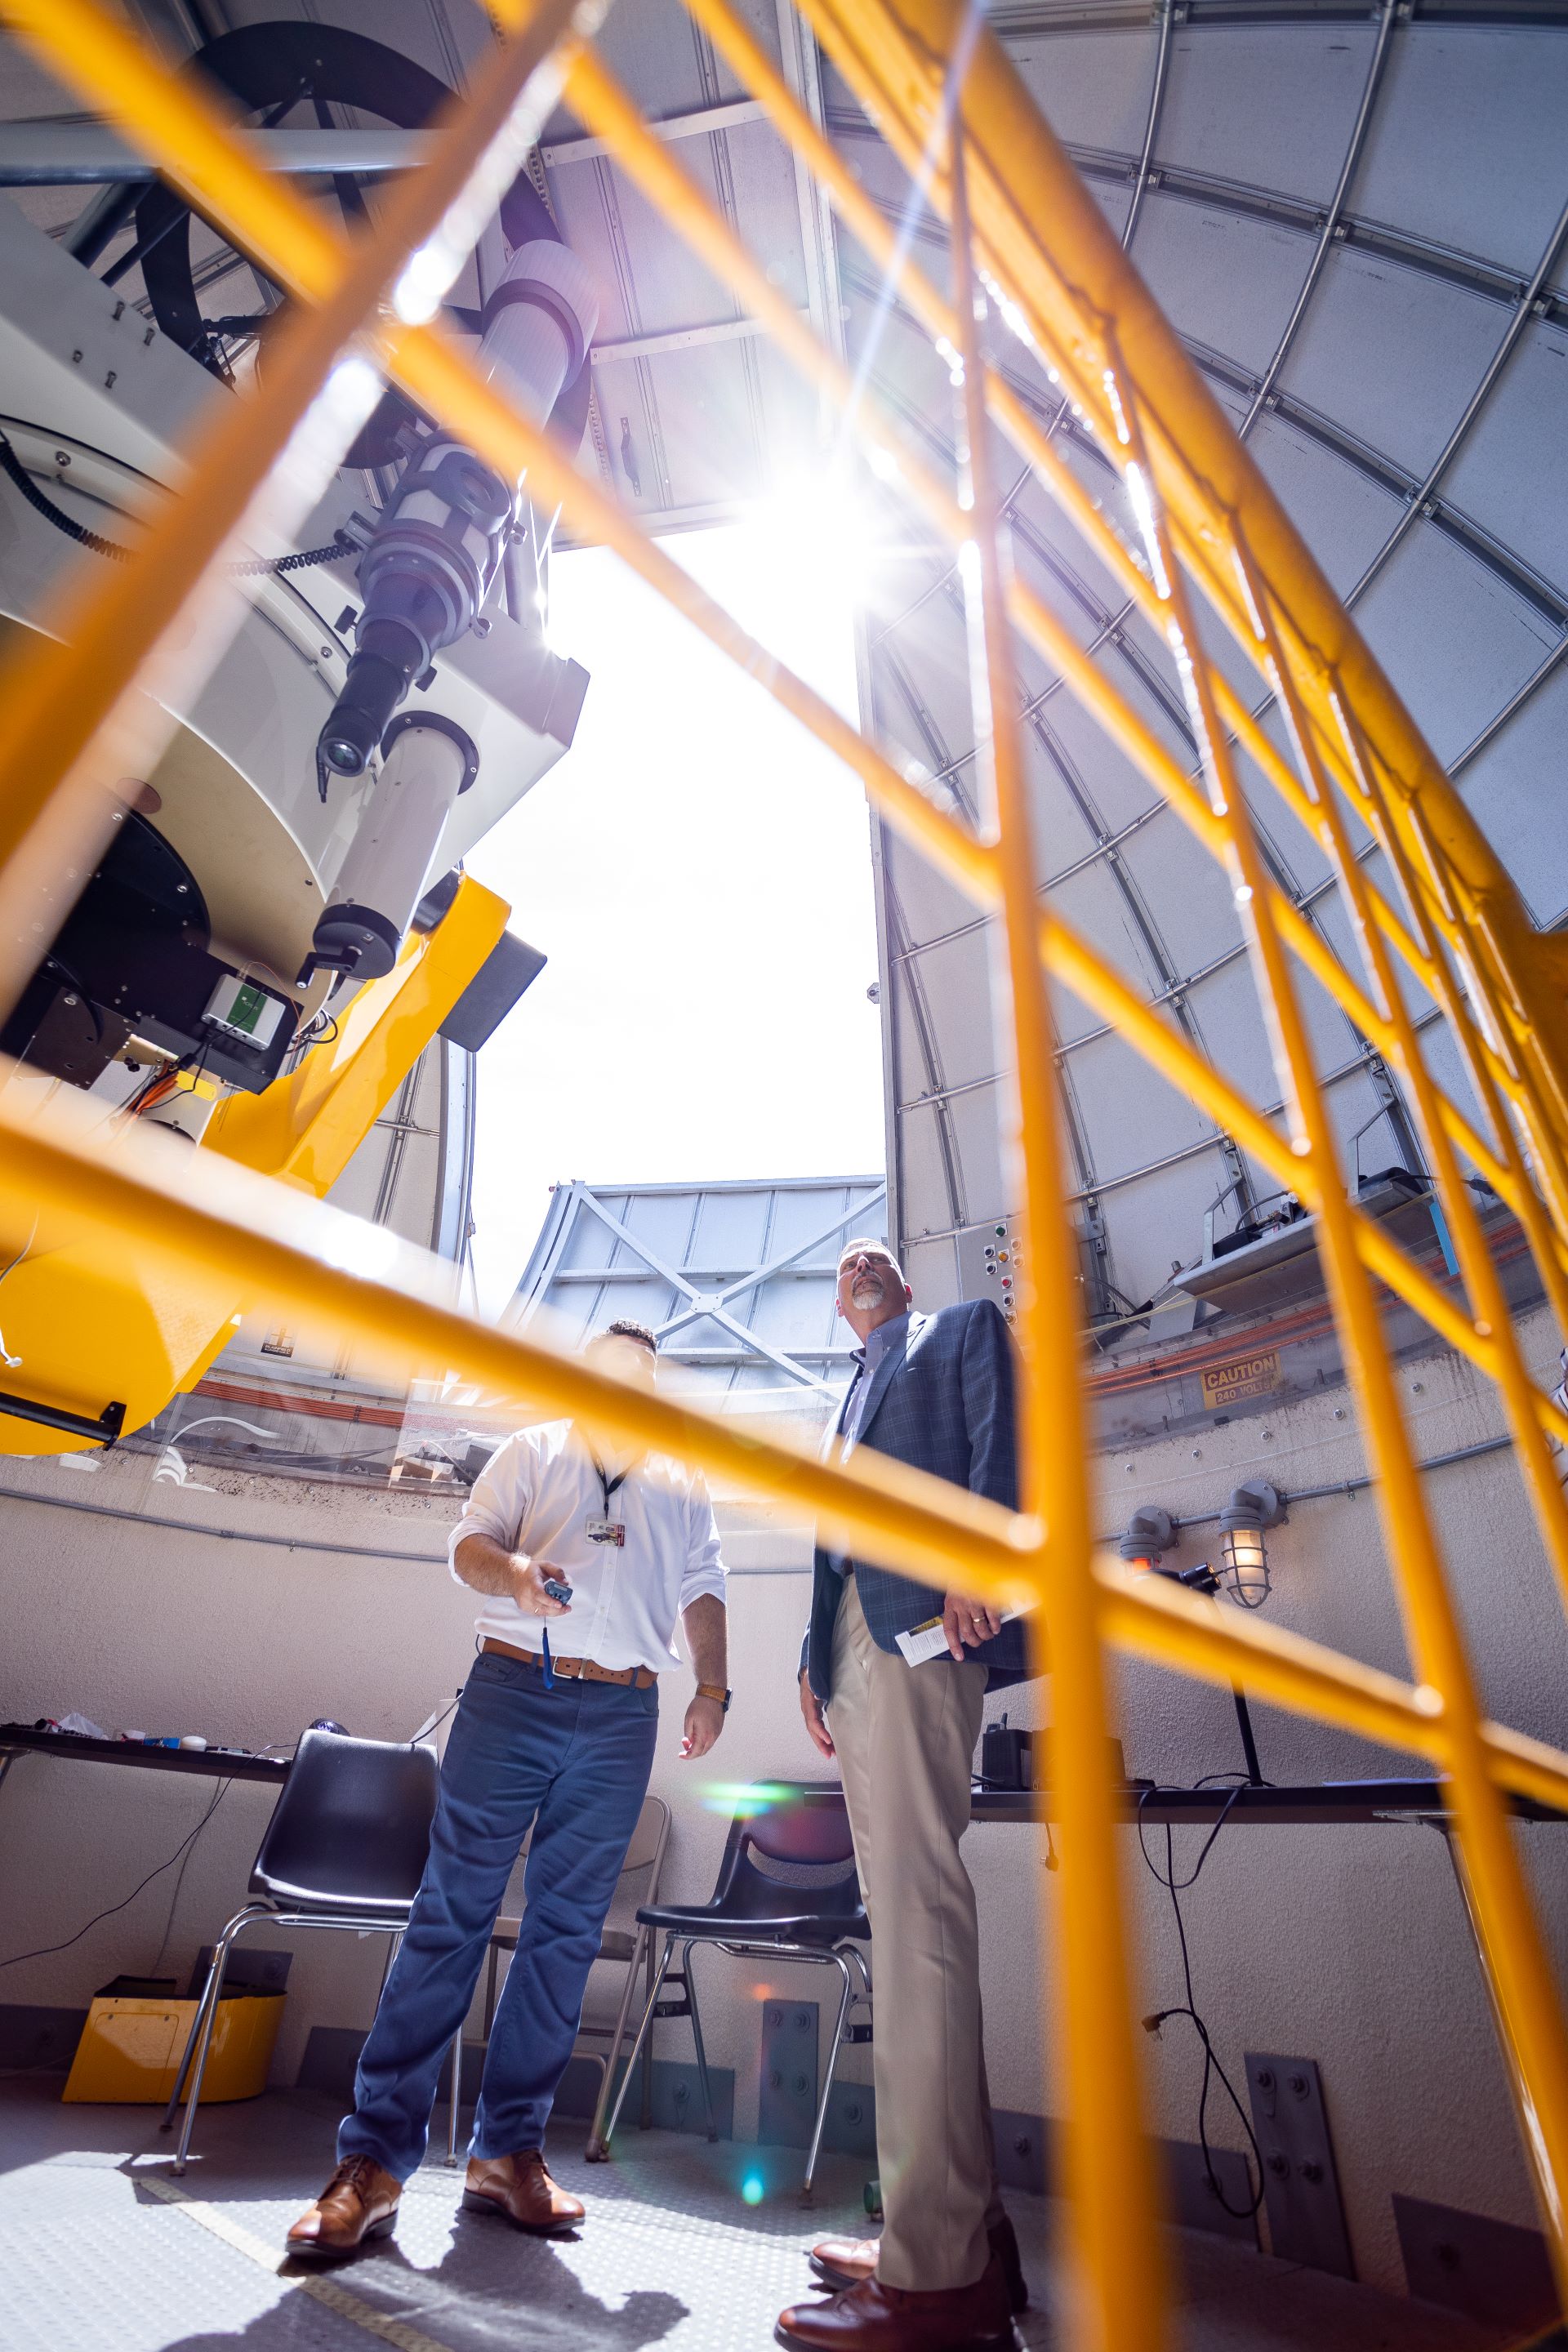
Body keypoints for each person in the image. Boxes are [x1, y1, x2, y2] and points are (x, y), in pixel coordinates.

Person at [287, 1319, 730, 2261]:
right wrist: (518, 1573)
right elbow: (469, 1548)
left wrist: (715, 1688)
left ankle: (506, 2153)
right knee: (453, 1912)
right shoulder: (533, 1452)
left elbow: (705, 1585)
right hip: (513, 1691)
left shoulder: (682, 1480)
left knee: (565, 1933)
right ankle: (373, 2162)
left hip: (624, 1713)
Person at [777, 1243, 1032, 2352]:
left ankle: (934, 2271)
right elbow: (832, 1549)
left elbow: (1001, 1447)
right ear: (841, 1311)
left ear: (907, 1288)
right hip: (849, 1651)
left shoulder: (961, 1331)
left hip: (926, 1627)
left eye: (877, 1258)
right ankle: (963, 2231)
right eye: (845, 1271)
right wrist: (809, 1659)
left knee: (919, 1917)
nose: (860, 1263)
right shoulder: (843, 1399)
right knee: (901, 1929)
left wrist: (981, 1567)